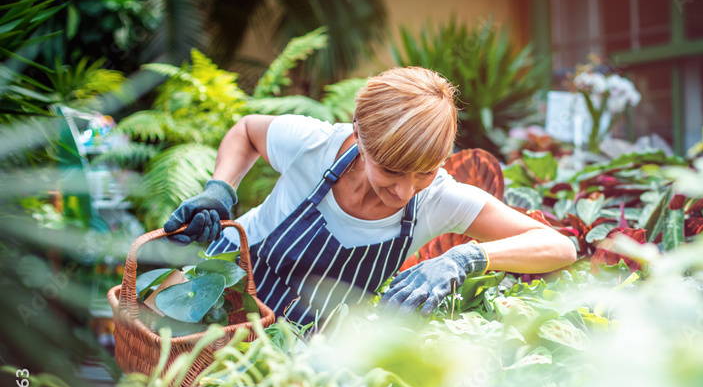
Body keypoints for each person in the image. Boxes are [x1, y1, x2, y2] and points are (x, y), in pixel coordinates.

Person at [163, 66, 577, 325]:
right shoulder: (315, 144)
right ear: (358, 136)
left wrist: (465, 256)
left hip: (291, 347)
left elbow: (559, 246)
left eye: (425, 172)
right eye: (392, 171)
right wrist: (220, 189)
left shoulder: (438, 199)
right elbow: (247, 130)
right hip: (212, 293)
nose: (405, 190)